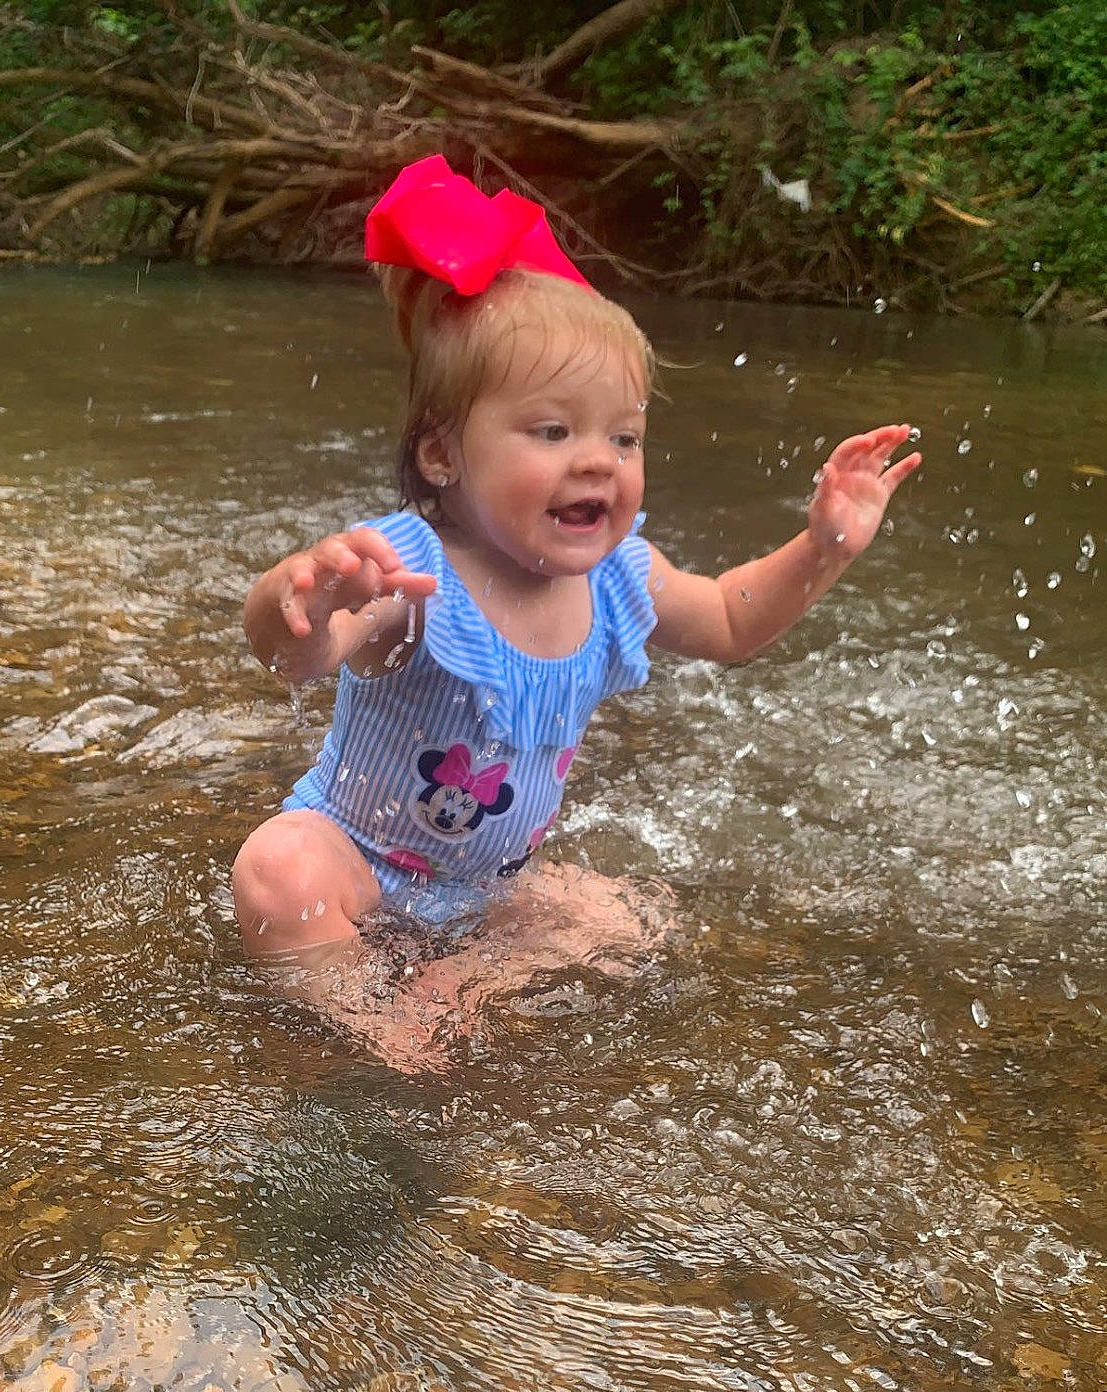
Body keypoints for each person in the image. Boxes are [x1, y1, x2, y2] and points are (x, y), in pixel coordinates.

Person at [232, 156, 919, 1055]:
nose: (598, 460)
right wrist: (299, 598)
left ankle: (461, 980)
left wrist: (825, 545)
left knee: (633, 918)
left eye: (623, 437)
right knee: (277, 870)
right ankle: (375, 1024)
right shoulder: (408, 569)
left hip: (490, 889)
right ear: (442, 453)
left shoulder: (620, 575)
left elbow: (730, 621)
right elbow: (296, 657)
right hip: (358, 859)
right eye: (553, 431)